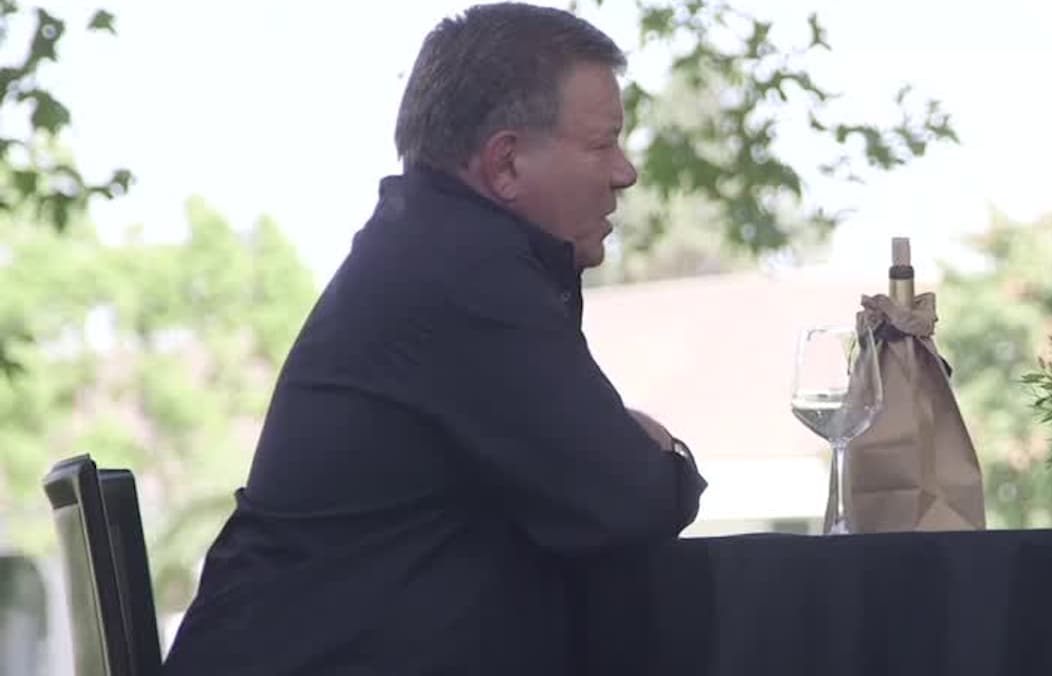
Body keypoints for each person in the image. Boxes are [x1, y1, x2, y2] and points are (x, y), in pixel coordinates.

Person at [162, 4, 706, 674]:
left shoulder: (426, 249)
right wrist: (664, 448)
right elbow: (629, 499)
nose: (625, 172)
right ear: (506, 163)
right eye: (602, 145)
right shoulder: (466, 273)